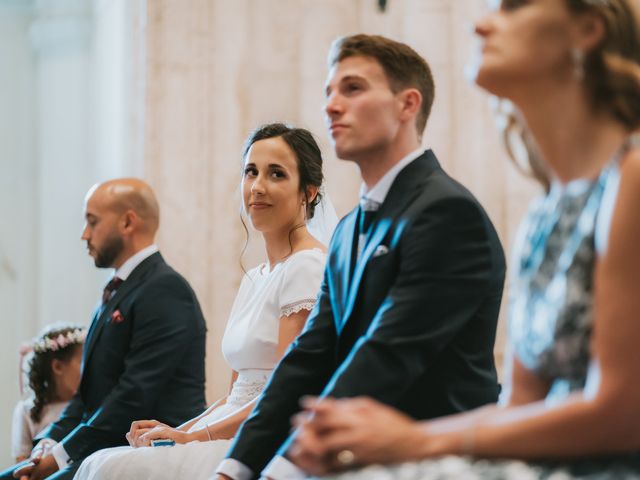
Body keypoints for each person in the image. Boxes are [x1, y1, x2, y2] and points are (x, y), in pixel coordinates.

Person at [290, 1, 640, 478]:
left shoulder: (633, 176)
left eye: (514, 6)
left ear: (588, 30)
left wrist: (417, 440)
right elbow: (519, 405)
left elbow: (623, 415)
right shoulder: (544, 214)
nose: (479, 23)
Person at [215, 34, 506, 480]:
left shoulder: (447, 213)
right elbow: (309, 357)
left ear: (407, 104)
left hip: (429, 455)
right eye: (328, 92)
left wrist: (286, 467)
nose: (332, 105)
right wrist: (237, 466)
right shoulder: (349, 228)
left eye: (352, 89)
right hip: (356, 454)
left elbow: (385, 358)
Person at [72, 123, 332, 480]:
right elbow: (231, 397)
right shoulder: (255, 276)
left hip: (263, 435)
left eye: (276, 174)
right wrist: (175, 432)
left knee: (109, 469)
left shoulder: (306, 267)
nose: (257, 186)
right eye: (250, 172)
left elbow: (285, 392)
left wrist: (193, 437)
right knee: (106, 461)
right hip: (225, 424)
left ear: (309, 191)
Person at [0, 178, 207, 480]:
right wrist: (47, 443)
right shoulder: (119, 290)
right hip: (103, 446)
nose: (84, 234)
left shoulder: (165, 289)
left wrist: (60, 457)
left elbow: (133, 395)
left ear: (127, 222)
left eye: (92, 222)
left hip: (145, 451)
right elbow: (88, 395)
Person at [12, 326, 86, 463]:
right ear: (58, 366)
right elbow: (21, 464)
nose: (87, 370)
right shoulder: (26, 411)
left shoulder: (88, 406)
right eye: (82, 362)